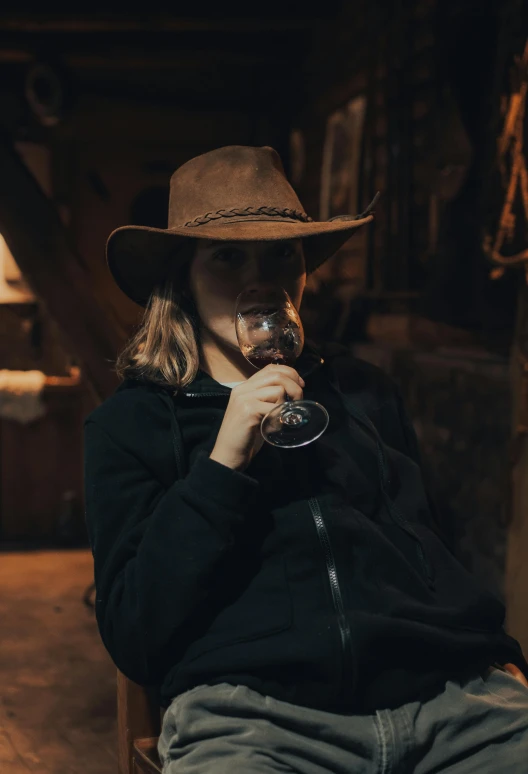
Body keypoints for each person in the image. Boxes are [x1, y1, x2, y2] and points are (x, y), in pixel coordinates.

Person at [84, 146, 528, 773]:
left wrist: (496, 654)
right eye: (229, 255)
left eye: (280, 253)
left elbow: (431, 551)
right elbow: (135, 631)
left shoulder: (363, 391)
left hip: (447, 703)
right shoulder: (130, 425)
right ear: (182, 273)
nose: (258, 278)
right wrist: (220, 466)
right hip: (256, 721)